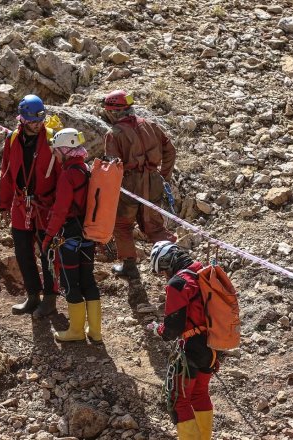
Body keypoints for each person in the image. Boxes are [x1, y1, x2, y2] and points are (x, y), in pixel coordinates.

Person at [102, 90, 177, 280]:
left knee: (122, 225)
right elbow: (170, 150)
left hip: (129, 185)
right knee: (155, 227)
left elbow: (112, 166)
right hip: (153, 183)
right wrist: (163, 177)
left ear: (114, 112)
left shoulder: (114, 134)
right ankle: (173, 268)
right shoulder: (151, 125)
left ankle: (129, 266)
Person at [0, 95, 60, 318]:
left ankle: (50, 299)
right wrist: (4, 205)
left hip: (46, 206)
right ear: (22, 119)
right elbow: (6, 172)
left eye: (40, 120)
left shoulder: (53, 139)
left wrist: (62, 208)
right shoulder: (12, 139)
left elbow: (62, 176)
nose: (37, 124)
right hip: (20, 204)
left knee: (48, 253)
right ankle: (33, 295)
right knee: (23, 252)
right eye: (33, 121)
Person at [150, 241, 218, 440]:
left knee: (178, 401)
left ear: (167, 263)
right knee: (199, 395)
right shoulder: (203, 272)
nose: (165, 275)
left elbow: (172, 329)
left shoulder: (178, 283)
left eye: (163, 271)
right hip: (212, 346)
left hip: (191, 348)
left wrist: (157, 329)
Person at [42, 128, 102, 343]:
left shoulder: (68, 175)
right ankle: (95, 332)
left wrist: (48, 237)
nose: (55, 155)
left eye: (57, 151)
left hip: (69, 235)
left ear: (65, 151)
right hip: (88, 234)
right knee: (89, 280)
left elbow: (60, 210)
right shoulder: (86, 169)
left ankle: (76, 331)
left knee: (71, 283)